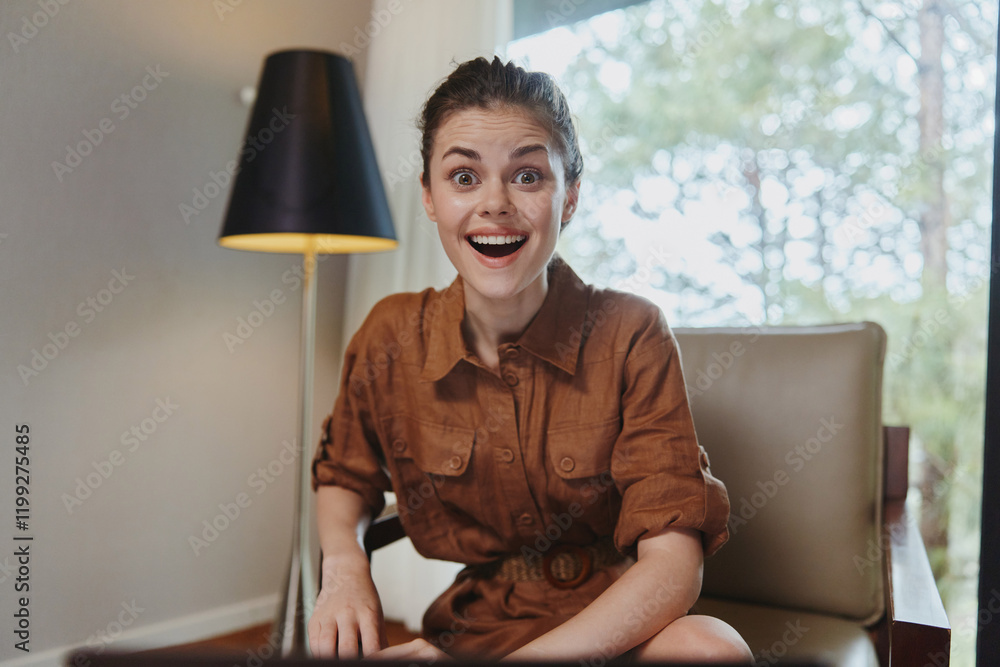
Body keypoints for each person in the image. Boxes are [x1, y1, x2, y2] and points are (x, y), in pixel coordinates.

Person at [309, 56, 752, 663]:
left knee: (712, 650)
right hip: (474, 630)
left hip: (619, 626)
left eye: (527, 176)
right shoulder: (390, 336)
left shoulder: (631, 332)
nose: (494, 204)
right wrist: (343, 569)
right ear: (430, 197)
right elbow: (344, 476)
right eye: (464, 177)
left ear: (568, 197)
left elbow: (674, 567)